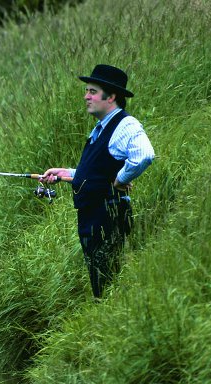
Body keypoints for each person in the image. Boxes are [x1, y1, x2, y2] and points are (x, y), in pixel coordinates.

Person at [40, 64, 154, 298]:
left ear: (111, 96)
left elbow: (145, 155)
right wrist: (67, 173)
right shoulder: (101, 128)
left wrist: (121, 179)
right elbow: (98, 171)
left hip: (108, 215)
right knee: (101, 282)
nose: (86, 96)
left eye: (92, 91)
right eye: (87, 91)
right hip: (93, 217)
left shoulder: (125, 125)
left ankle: (116, 322)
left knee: (110, 283)